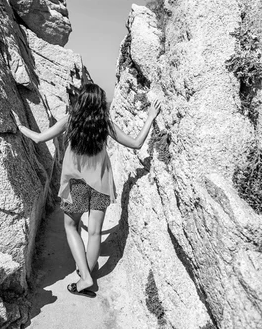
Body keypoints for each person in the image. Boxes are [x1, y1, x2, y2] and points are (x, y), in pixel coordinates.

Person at [13, 83, 161, 298]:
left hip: (76, 185)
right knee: (95, 233)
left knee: (71, 227)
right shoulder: (106, 124)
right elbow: (136, 143)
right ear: (100, 103)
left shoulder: (70, 121)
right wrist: (150, 117)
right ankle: (86, 274)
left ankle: (85, 276)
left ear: (81, 101)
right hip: (101, 185)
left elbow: (38, 138)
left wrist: (20, 126)